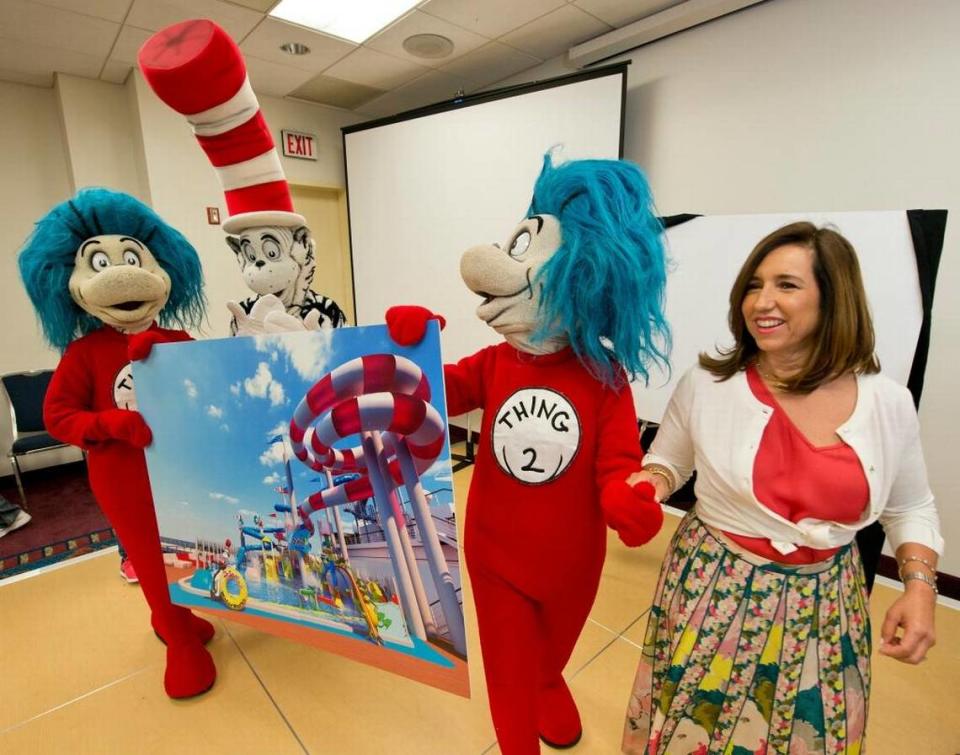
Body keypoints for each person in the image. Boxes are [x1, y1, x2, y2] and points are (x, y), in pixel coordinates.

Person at [621, 222, 943, 754]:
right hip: (713, 589)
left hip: (826, 604)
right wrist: (648, 485)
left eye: (786, 285)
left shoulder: (886, 401)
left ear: (833, 298)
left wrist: (920, 588)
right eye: (754, 284)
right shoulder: (707, 384)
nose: (762, 301)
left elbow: (910, 506)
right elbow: (667, 463)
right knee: (692, 729)